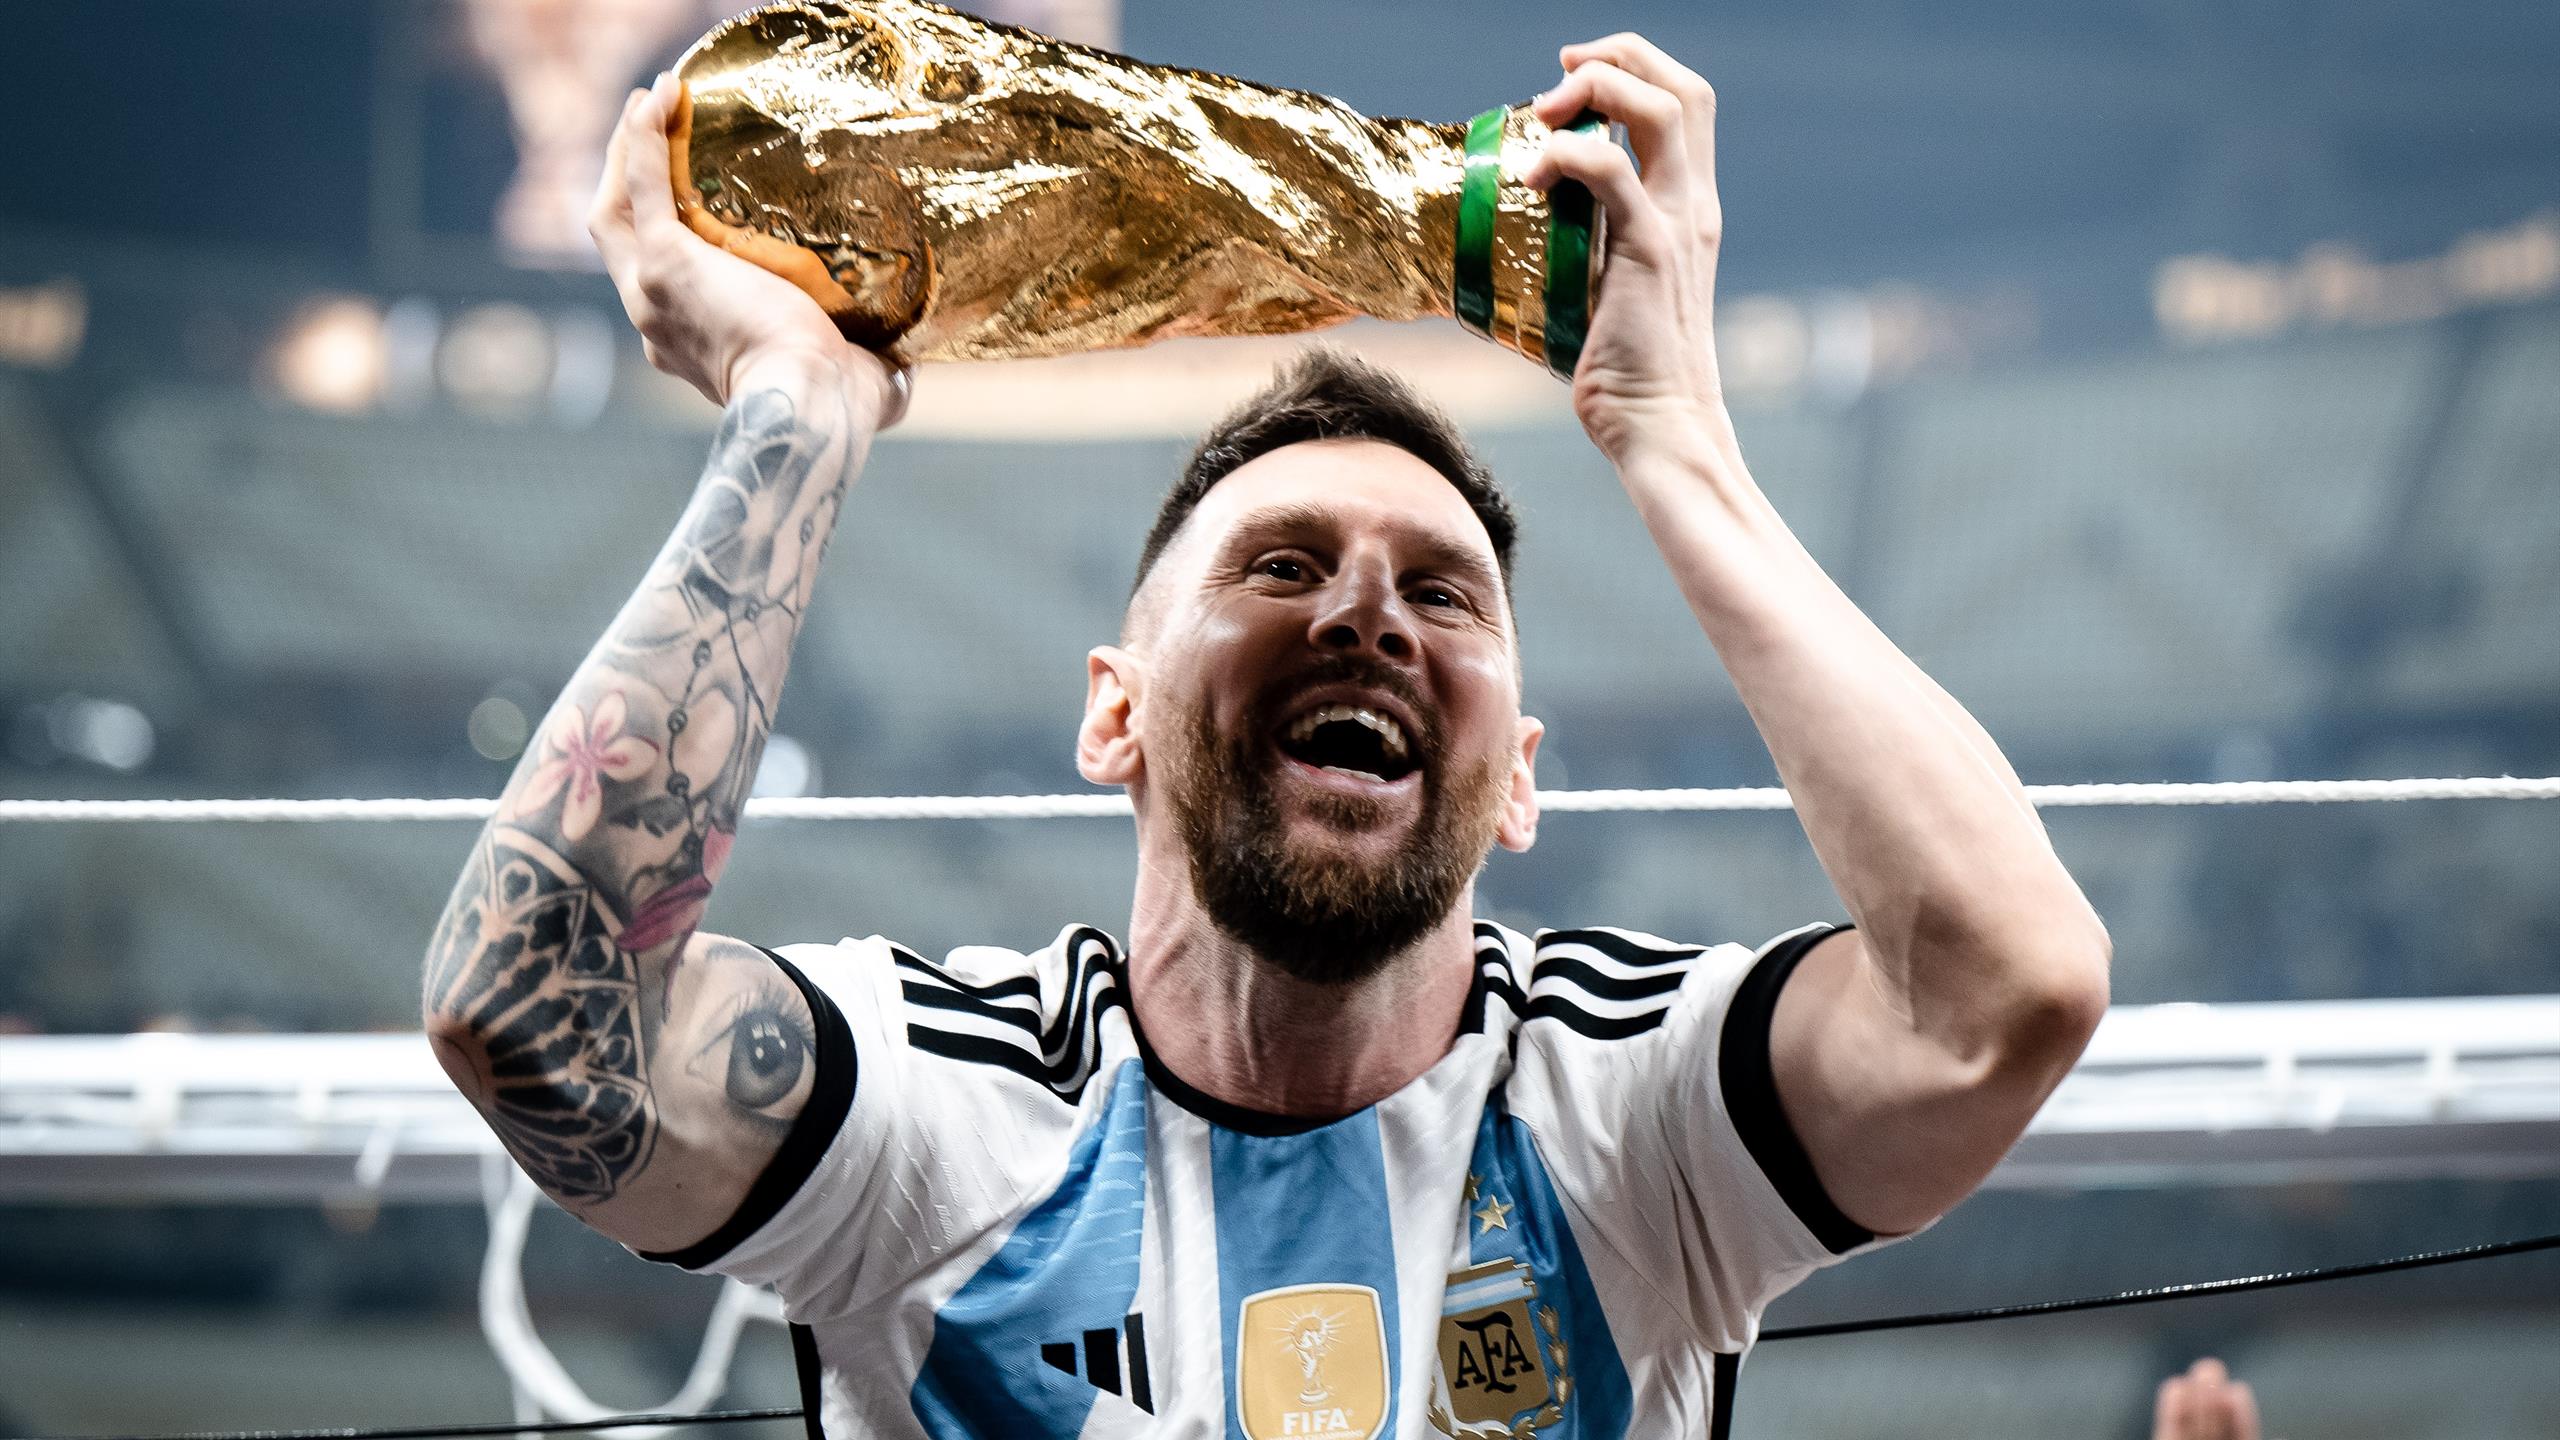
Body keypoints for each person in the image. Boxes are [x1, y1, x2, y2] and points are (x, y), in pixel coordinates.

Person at [424, 39, 2110, 1440]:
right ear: (1116, 715)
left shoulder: (1626, 1113)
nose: (1368, 613)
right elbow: (531, 1014)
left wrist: (1673, 436)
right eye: (1282, 567)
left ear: (1518, 779)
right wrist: (802, 414)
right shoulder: (941, 1115)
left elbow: (2004, 995)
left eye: (1443, 595)